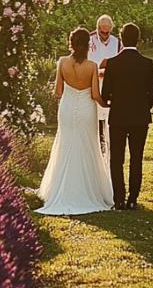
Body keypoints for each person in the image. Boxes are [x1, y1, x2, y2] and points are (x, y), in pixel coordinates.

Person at [35, 27, 115, 216]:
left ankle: (61, 189)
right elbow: (95, 94)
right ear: (88, 45)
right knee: (88, 146)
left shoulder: (62, 62)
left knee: (66, 145)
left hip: (67, 109)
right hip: (87, 110)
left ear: (70, 43)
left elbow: (58, 92)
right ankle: (87, 190)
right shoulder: (92, 66)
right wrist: (107, 104)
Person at [99, 23, 153, 211]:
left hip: (117, 117)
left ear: (121, 39)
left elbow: (105, 93)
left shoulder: (112, 63)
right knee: (136, 158)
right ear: (138, 40)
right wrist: (144, 107)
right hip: (140, 118)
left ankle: (119, 200)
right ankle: (133, 199)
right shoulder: (146, 63)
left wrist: (113, 103)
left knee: (116, 159)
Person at [86, 14, 120, 152]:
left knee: (107, 113)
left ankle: (107, 143)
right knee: (93, 113)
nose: (105, 35)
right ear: (97, 28)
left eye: (107, 32)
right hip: (91, 82)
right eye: (102, 32)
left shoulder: (117, 42)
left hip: (109, 83)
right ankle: (96, 144)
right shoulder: (89, 40)